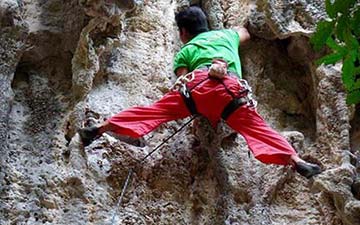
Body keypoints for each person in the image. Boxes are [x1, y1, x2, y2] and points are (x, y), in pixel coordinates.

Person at [79, 6, 321, 179]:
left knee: (153, 113)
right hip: (229, 90)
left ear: (183, 32)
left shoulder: (186, 49)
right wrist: (234, 29)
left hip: (197, 88)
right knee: (257, 129)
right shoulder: (226, 36)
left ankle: (101, 129)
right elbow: (245, 33)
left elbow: (183, 78)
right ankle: (295, 160)